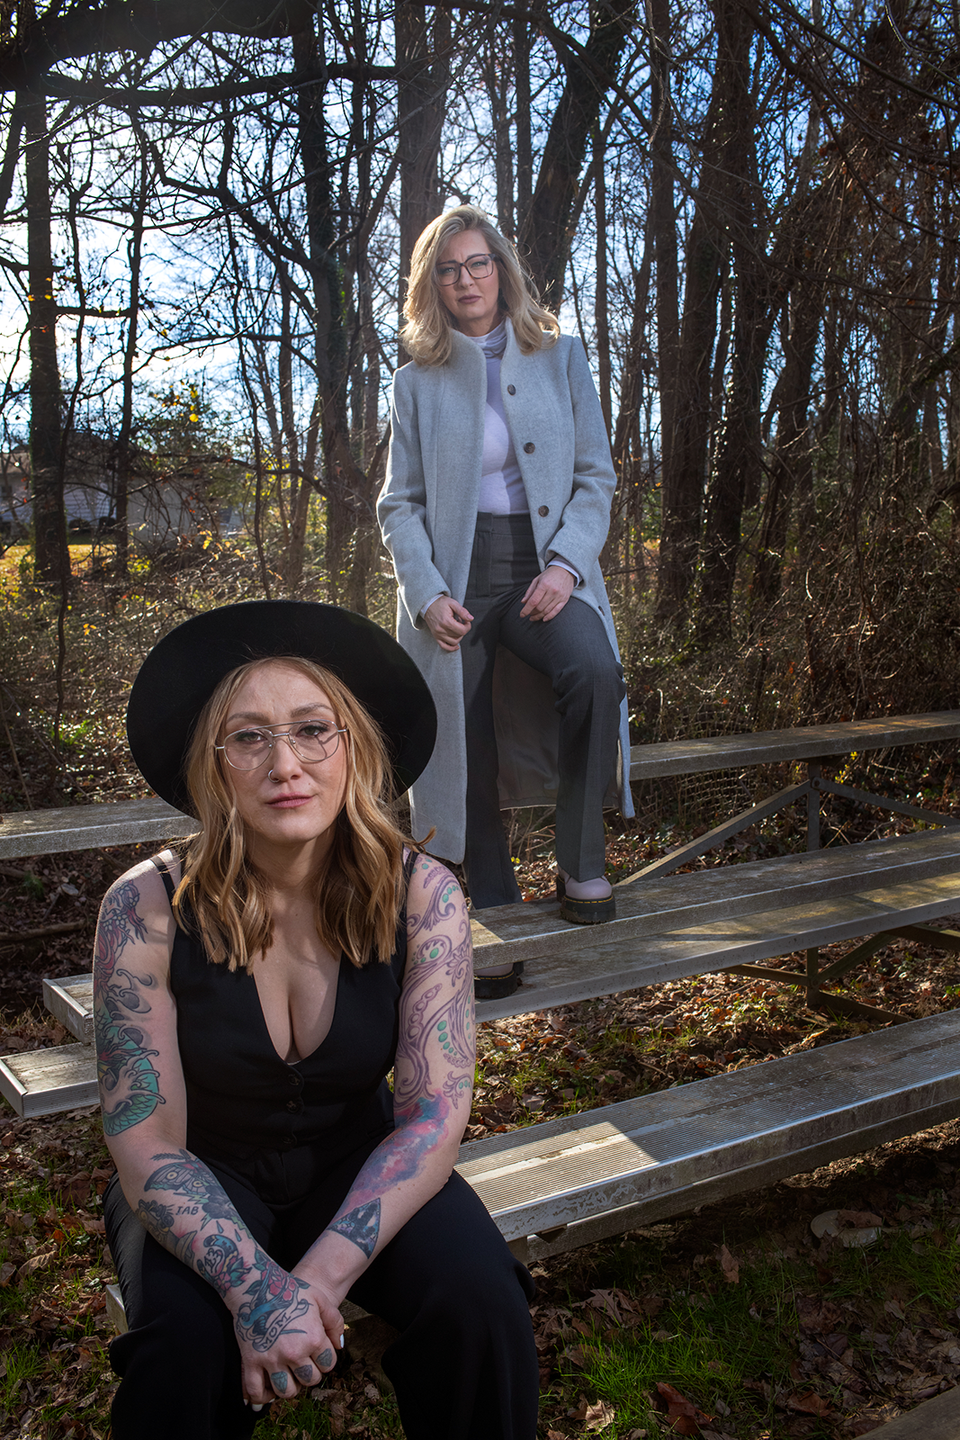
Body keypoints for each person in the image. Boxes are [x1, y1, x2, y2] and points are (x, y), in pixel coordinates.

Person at [95, 599, 539, 1440]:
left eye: (312, 729)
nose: (284, 763)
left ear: (353, 749)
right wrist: (257, 1293)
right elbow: (146, 1145)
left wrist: (318, 1283)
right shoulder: (144, 908)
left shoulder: (423, 896)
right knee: (182, 1352)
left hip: (360, 1159)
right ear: (212, 763)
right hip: (200, 1173)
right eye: (249, 736)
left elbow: (434, 1116)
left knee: (481, 1303)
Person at [378, 203, 634, 998]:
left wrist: (565, 565)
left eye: (478, 263)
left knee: (593, 674)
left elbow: (597, 475)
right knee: (467, 734)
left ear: (502, 269)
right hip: (458, 581)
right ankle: (492, 911)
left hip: (547, 570)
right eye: (448, 268)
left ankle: (581, 864)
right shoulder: (415, 382)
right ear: (433, 283)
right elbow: (399, 505)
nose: (466, 279)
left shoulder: (561, 356)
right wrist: (425, 595)